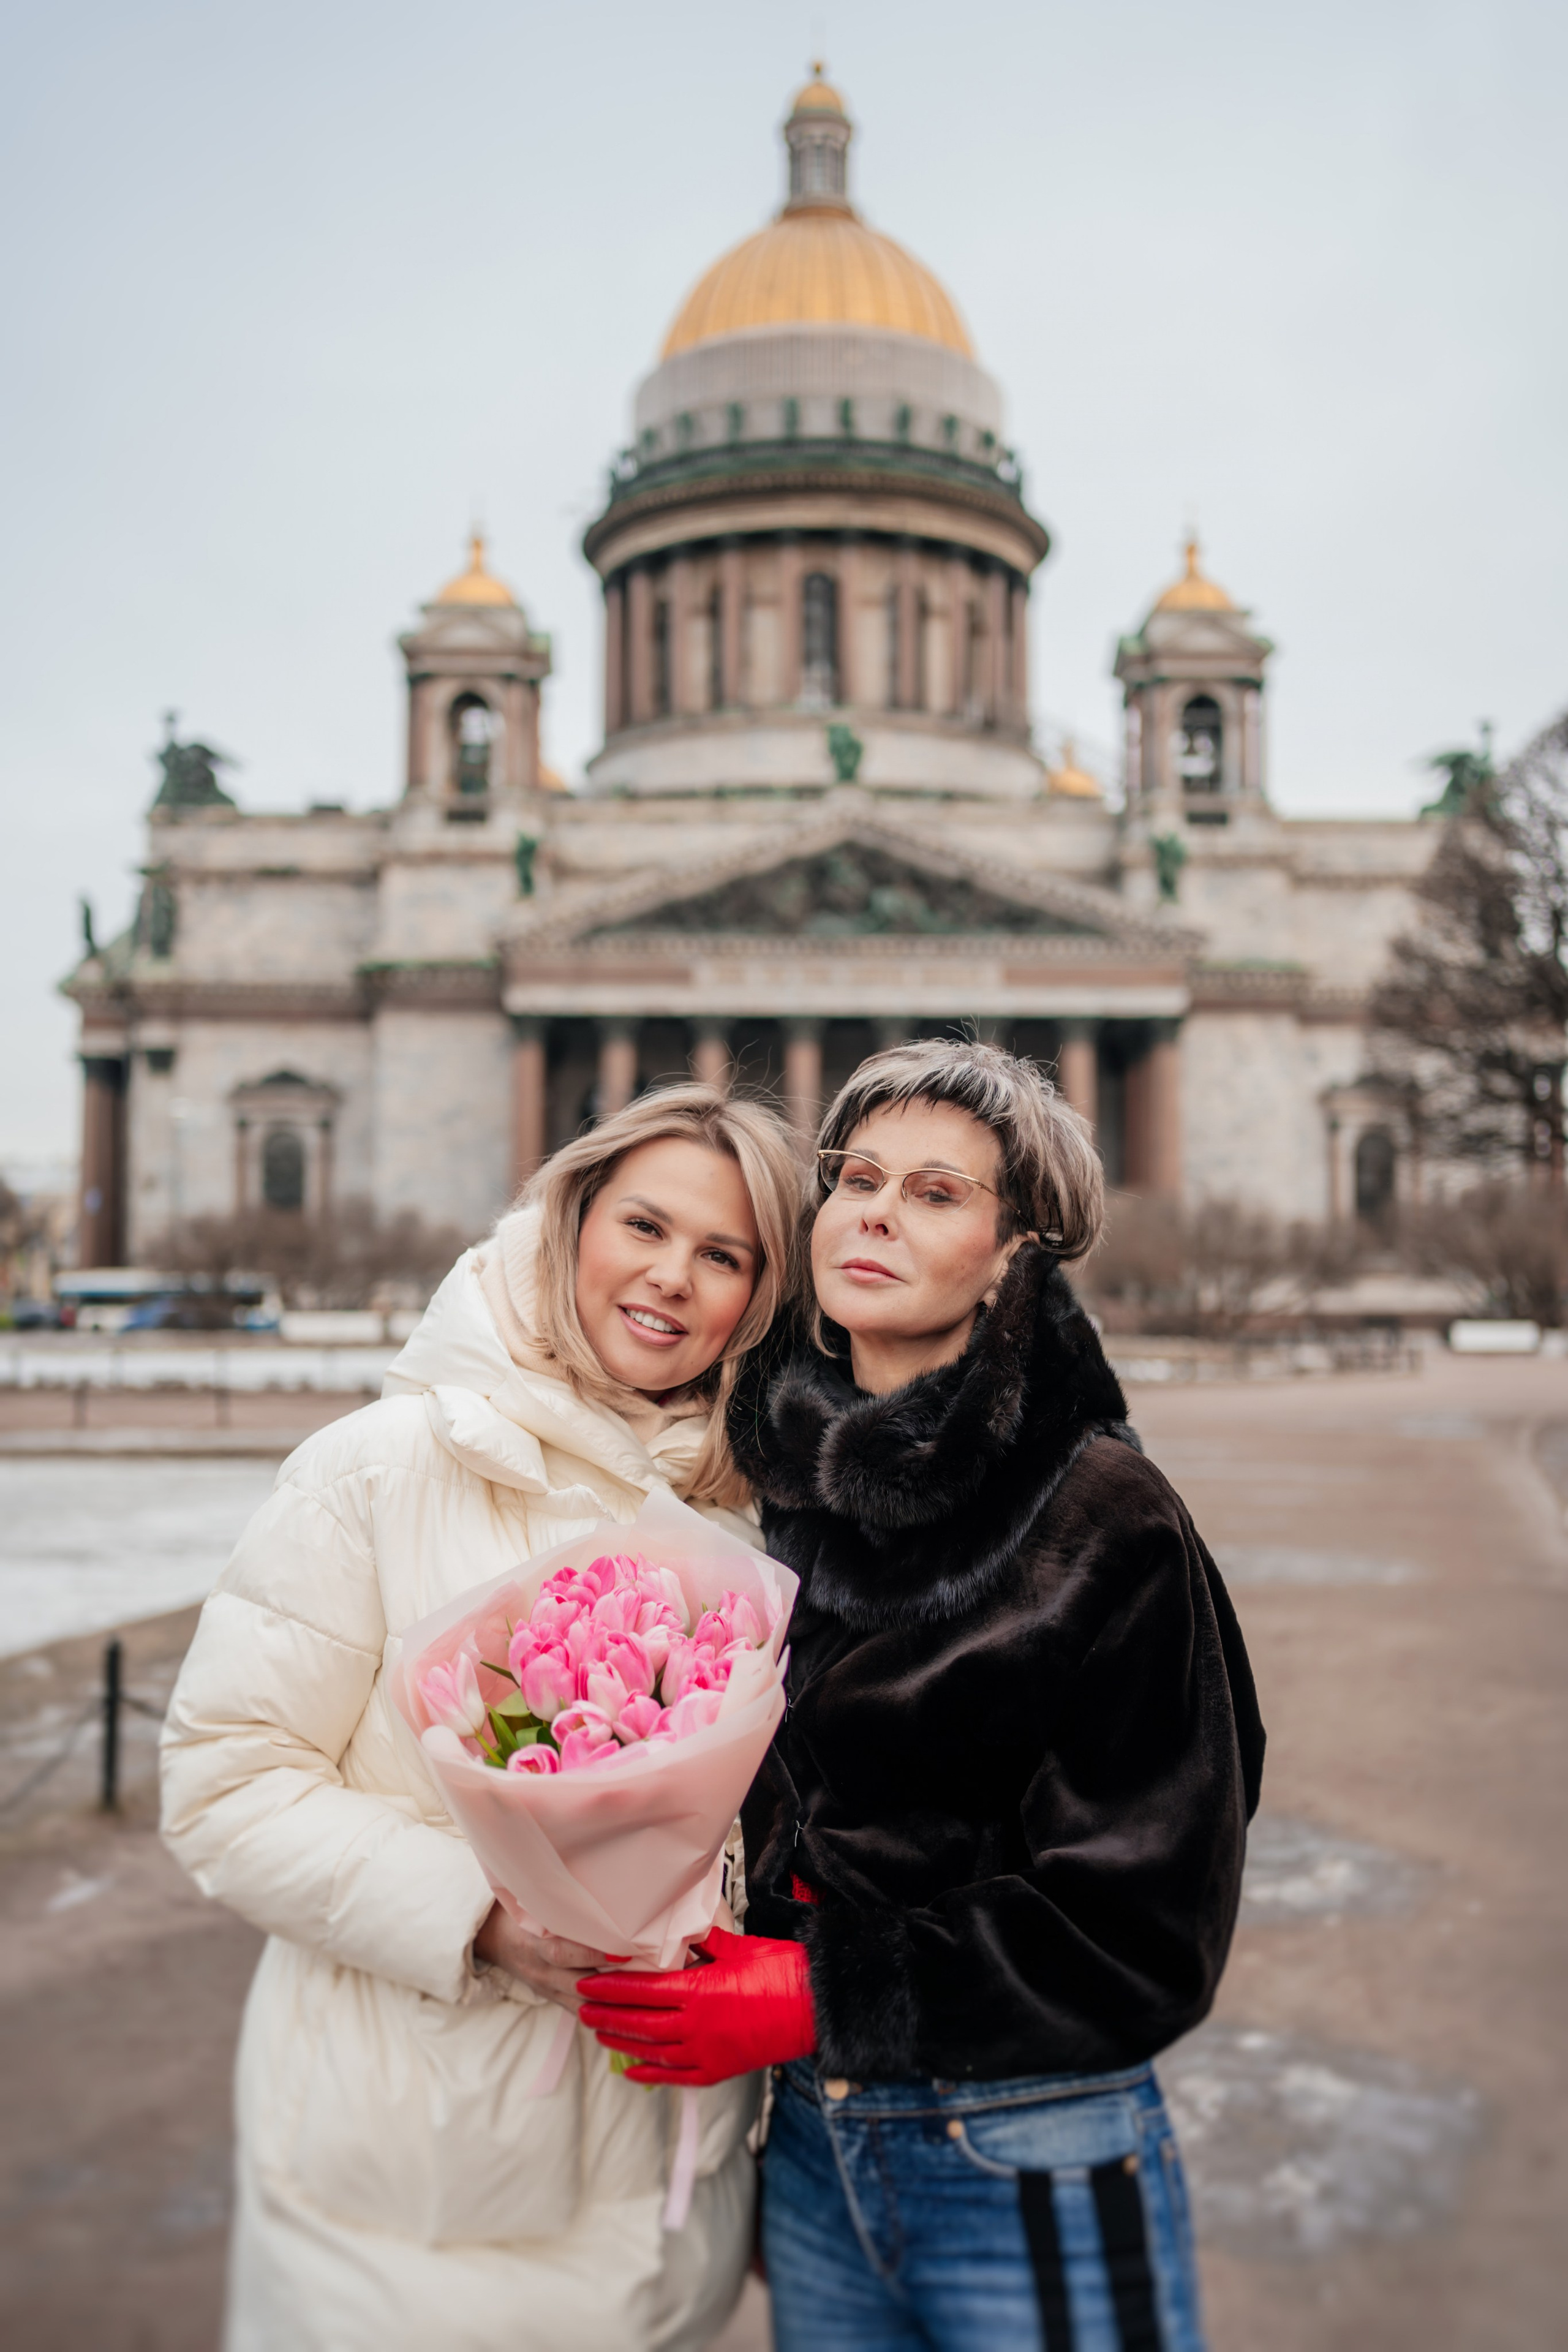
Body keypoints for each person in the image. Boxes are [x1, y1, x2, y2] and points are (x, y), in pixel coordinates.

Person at [580, 1039, 1265, 2352]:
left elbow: (1149, 1926)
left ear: (1013, 1257)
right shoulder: (773, 1495)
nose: (876, 1211)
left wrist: (813, 1993)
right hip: (809, 2156)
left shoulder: (1102, 1517)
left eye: (938, 1193)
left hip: (1025, 2149)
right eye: (856, 1177)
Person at [160, 1085, 805, 2352]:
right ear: (570, 1221)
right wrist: (482, 1920)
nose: (670, 1278)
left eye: (722, 1256)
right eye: (643, 1226)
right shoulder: (380, 1466)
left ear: (760, 1298)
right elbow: (224, 1786)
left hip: (661, 2197)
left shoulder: (762, 1511)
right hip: (409, 2202)